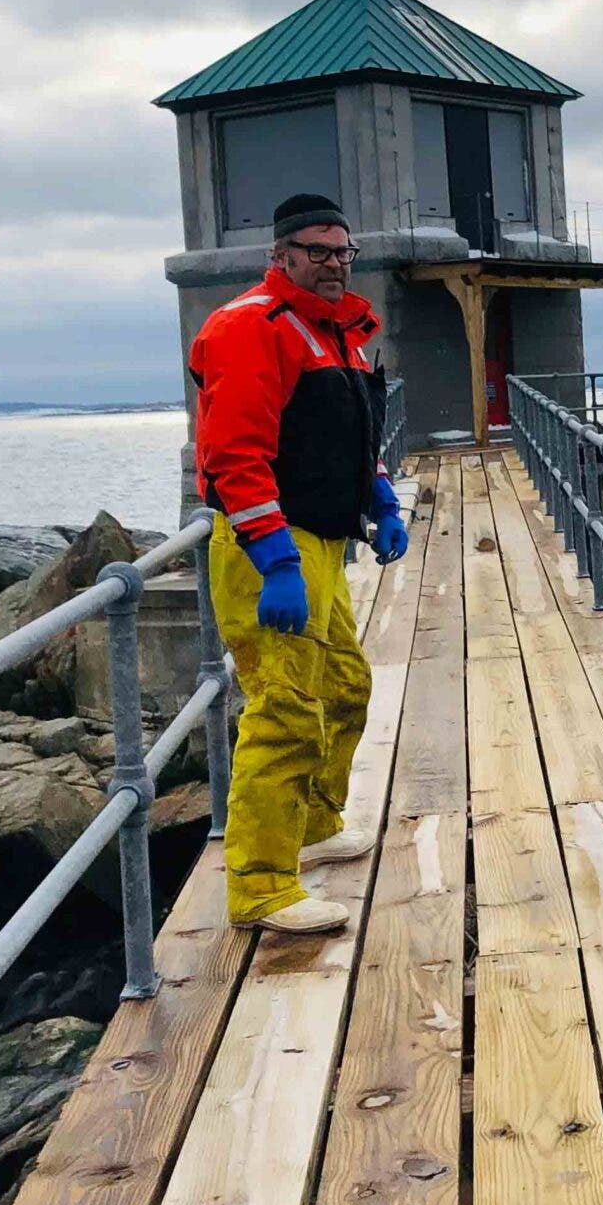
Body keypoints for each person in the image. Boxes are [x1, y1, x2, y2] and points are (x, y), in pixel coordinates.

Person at [188, 193, 409, 933]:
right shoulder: (251, 327)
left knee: (344, 687)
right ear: (279, 255)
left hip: (322, 540)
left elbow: (351, 438)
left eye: (343, 251)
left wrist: (381, 500)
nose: (334, 263)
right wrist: (277, 561)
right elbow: (235, 455)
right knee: (285, 711)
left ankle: (312, 825)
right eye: (317, 250)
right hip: (268, 547)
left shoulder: (336, 334)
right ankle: (260, 885)